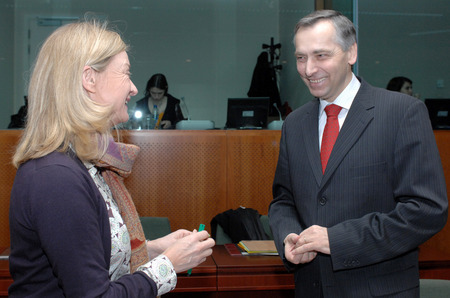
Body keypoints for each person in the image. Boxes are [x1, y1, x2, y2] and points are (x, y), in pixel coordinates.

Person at [8, 19, 214, 297]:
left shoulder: (85, 164)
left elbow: (89, 252)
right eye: (125, 74)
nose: (133, 88)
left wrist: (153, 248)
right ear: (89, 79)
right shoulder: (56, 177)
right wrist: (168, 265)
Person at [268, 10, 447, 297]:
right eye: (301, 58)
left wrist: (337, 240)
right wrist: (288, 237)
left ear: (351, 52)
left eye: (321, 56)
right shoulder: (294, 123)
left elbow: (426, 210)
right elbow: (283, 201)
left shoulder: (401, 113)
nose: (309, 69)